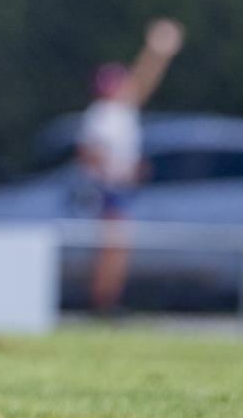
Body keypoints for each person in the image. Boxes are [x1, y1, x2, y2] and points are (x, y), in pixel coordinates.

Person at [77, 17, 183, 315]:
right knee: (111, 248)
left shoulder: (120, 112)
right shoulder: (102, 114)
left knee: (117, 248)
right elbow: (88, 153)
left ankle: (106, 302)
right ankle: (101, 304)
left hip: (118, 187)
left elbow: (143, 79)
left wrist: (156, 54)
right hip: (107, 189)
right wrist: (114, 173)